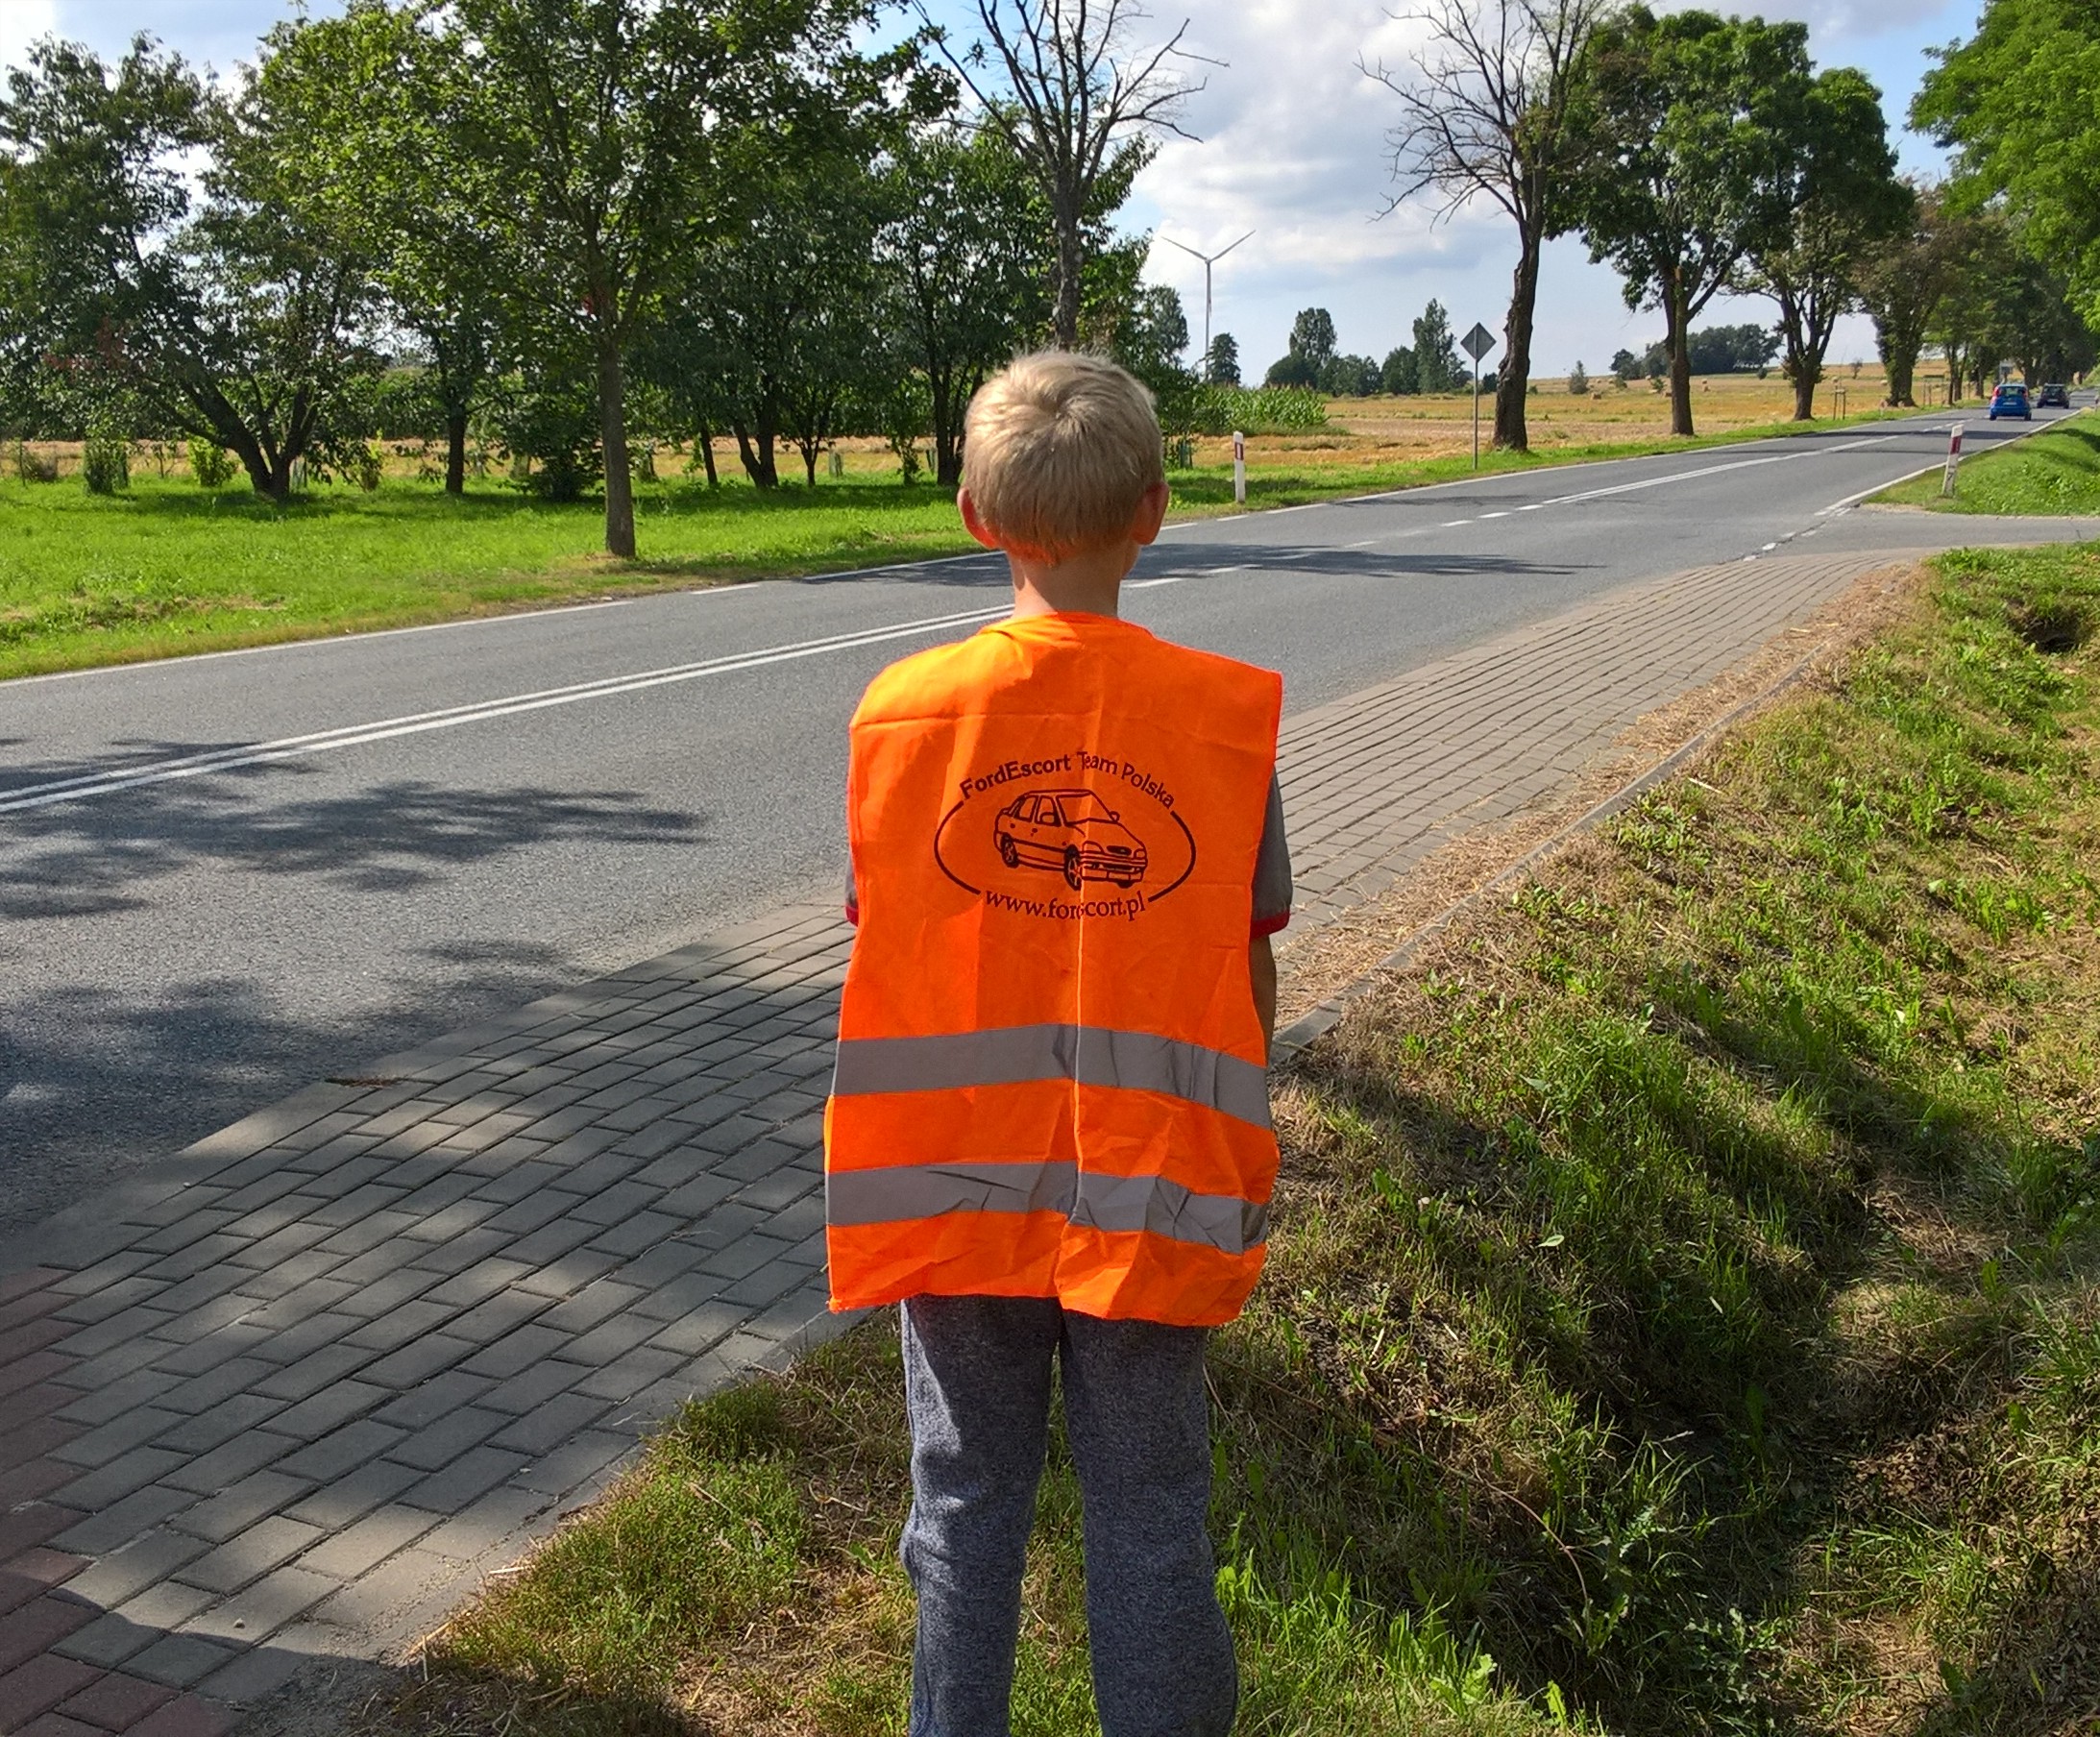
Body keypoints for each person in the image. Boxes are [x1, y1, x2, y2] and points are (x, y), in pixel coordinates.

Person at [824, 351, 1293, 1737]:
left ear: (974, 514)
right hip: (1155, 1178)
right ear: (1154, 509)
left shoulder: (902, 715)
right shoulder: (1222, 721)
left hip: (950, 1180)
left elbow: (884, 928)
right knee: (1150, 1512)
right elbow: (1249, 961)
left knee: (963, 1505)